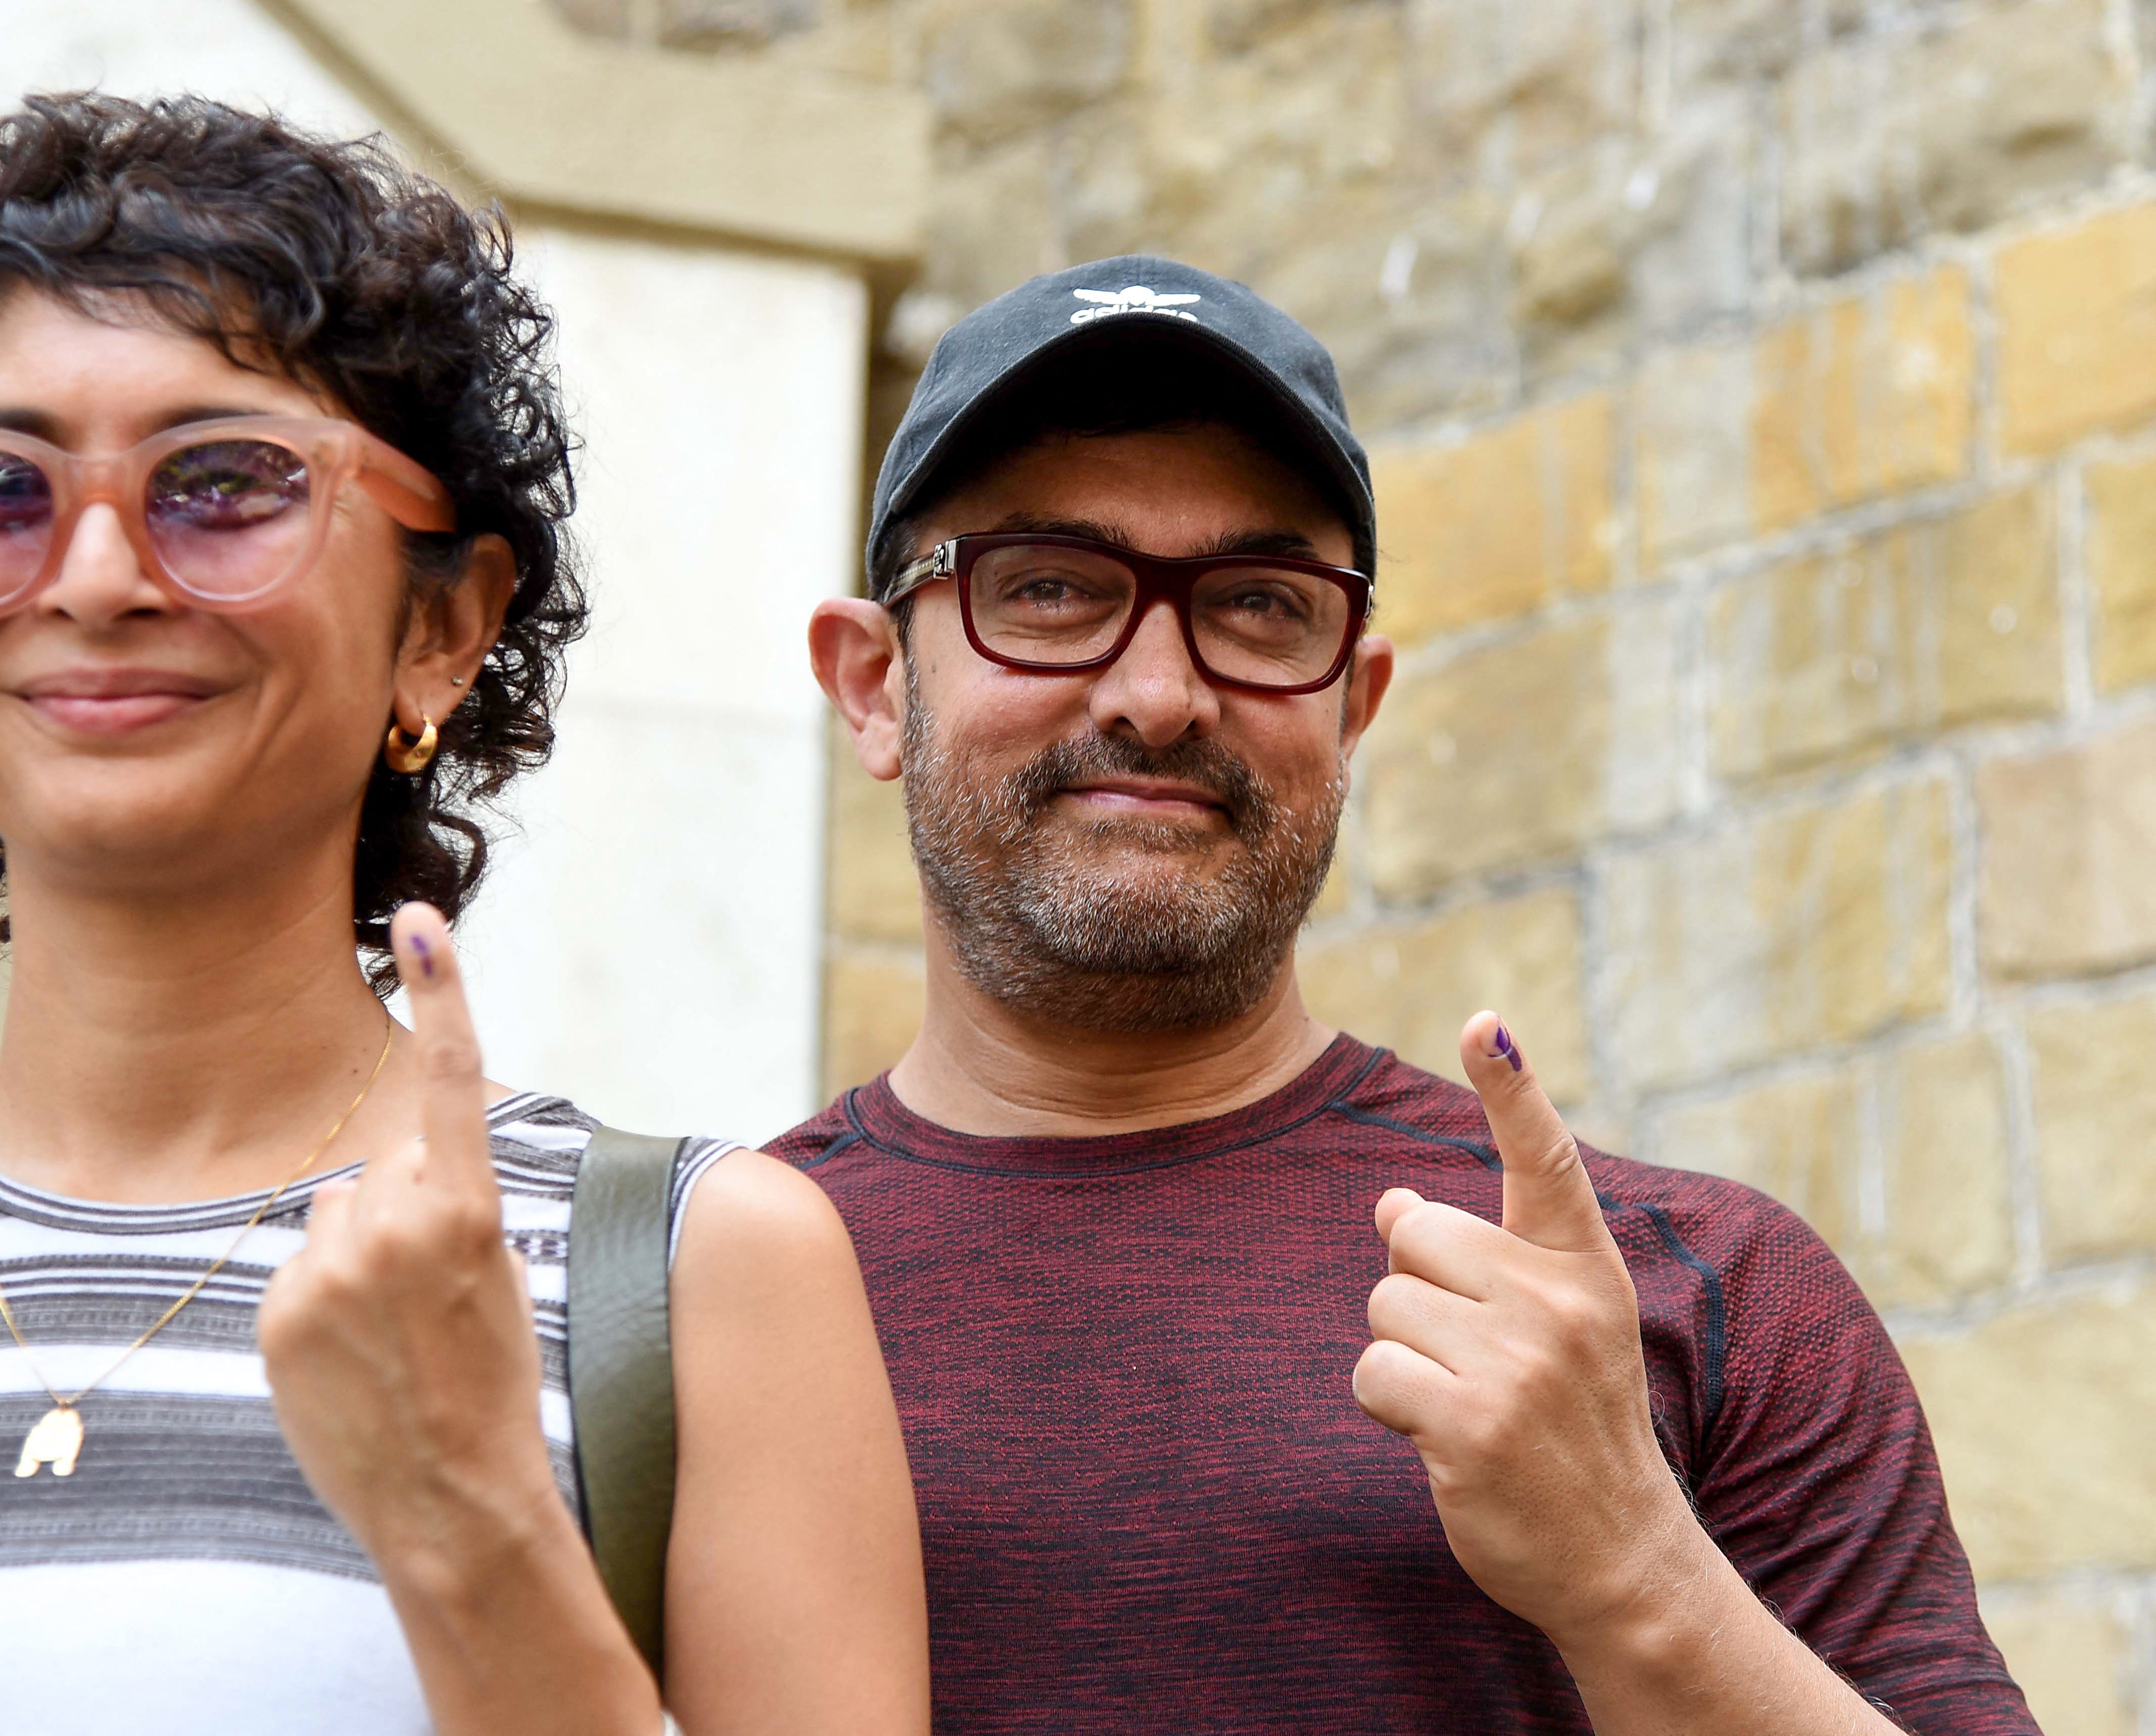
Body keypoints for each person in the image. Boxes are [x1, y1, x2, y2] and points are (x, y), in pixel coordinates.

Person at [0, 94, 926, 1736]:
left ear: (445, 625)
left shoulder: (701, 1284)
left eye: (225, 482)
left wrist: (473, 1519)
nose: (95, 576)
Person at [782, 258, 2040, 1732]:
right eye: (1049, 589)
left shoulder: (1691, 1293)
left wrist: (1638, 1570)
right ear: (873, 684)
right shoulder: (695, 1299)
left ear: (1353, 703)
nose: (1161, 692)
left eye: (1258, 604)